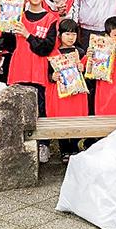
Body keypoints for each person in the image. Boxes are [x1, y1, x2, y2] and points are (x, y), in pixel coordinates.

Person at [0, 0, 58, 163]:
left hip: (39, 70)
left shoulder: (51, 19)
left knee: (40, 107)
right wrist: (5, 25)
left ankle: (43, 145)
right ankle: (19, 144)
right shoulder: (17, 16)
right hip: (19, 68)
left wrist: (27, 34)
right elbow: (5, 44)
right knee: (18, 108)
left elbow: (46, 47)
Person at [46, 18, 88, 163]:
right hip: (60, 93)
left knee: (77, 119)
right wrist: (53, 76)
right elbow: (46, 73)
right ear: (60, 35)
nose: (71, 37)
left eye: (74, 34)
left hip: (77, 93)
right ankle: (64, 150)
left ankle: (75, 148)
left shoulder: (80, 52)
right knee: (61, 120)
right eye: (67, 34)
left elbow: (88, 73)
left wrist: (83, 68)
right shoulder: (52, 53)